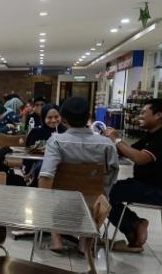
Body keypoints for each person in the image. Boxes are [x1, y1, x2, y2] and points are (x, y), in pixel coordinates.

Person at [38, 96, 119, 254]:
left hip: (60, 201)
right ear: (89, 117)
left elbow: (46, 175)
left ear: (63, 119)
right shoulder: (106, 144)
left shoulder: (56, 141)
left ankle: (56, 240)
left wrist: (43, 201)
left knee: (44, 190)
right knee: (101, 197)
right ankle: (85, 242)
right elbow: (111, 176)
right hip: (94, 203)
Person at [103, 98, 162, 251]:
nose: (140, 116)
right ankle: (135, 225)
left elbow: (139, 158)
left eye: (144, 113)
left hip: (160, 191)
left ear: (158, 115)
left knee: (105, 193)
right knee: (107, 190)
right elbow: (127, 151)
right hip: (145, 185)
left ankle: (133, 229)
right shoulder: (153, 135)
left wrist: (116, 138)